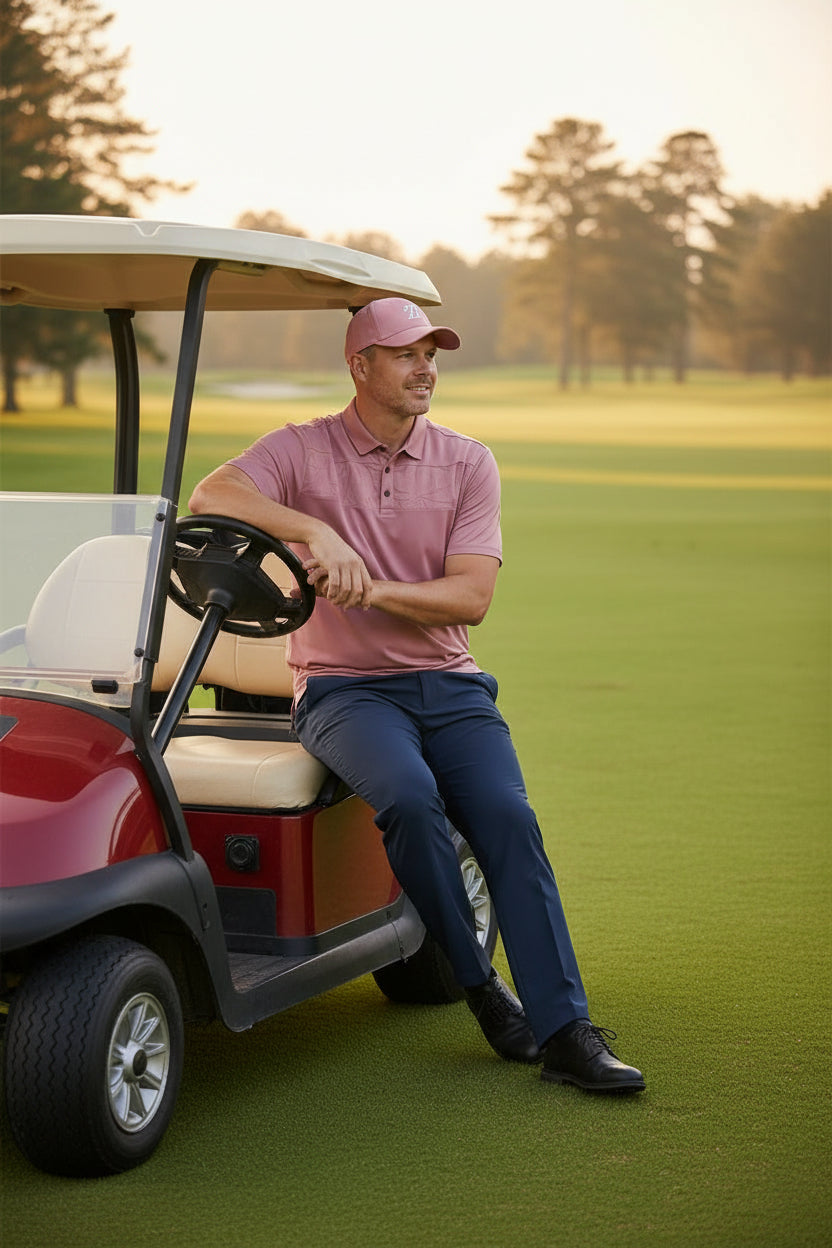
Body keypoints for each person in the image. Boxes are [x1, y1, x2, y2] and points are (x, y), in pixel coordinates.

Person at [189, 297, 645, 1093]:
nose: (425, 368)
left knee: (508, 820)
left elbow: (470, 599)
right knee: (406, 796)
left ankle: (567, 1030)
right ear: (360, 366)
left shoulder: (468, 461)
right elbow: (211, 496)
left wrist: (375, 591)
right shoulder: (300, 450)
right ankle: (481, 989)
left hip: (452, 686)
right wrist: (315, 532)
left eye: (432, 354)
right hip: (342, 692)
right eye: (405, 355)